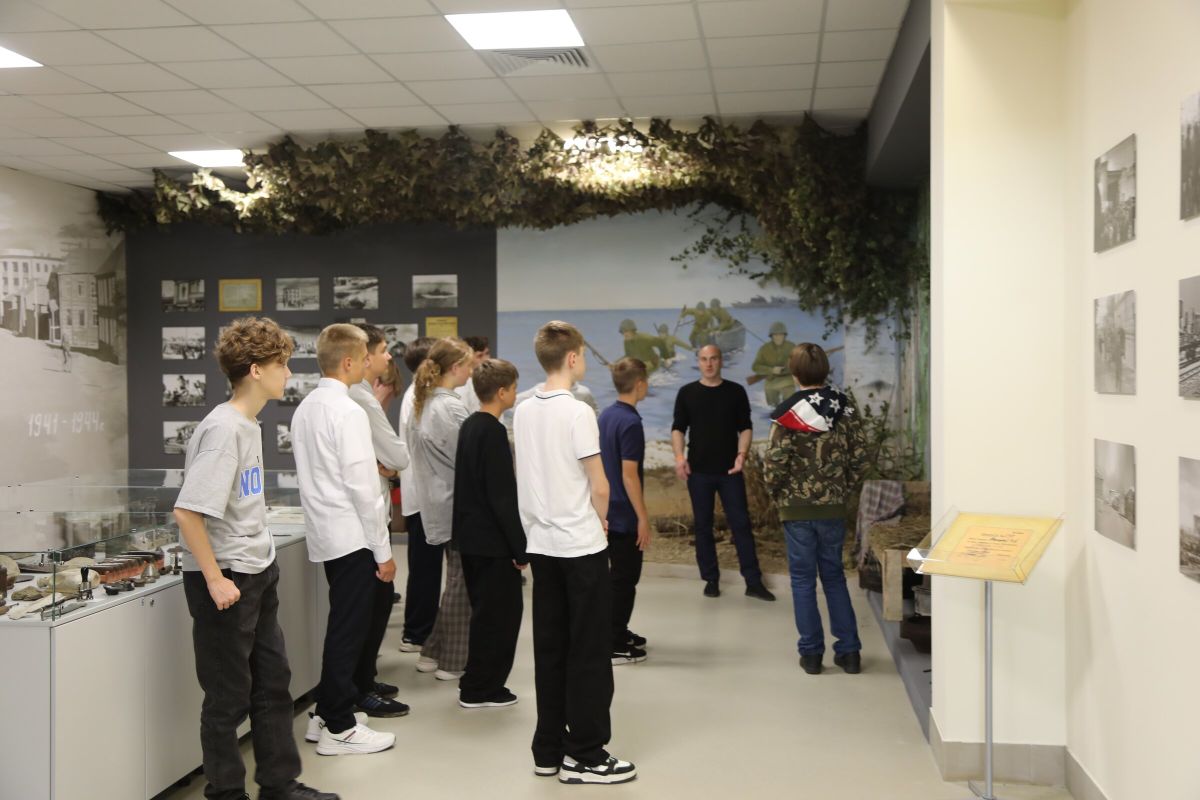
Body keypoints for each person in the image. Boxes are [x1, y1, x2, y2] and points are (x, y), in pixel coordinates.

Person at [173, 316, 337, 800]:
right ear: (255, 370)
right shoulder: (223, 430)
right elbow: (187, 512)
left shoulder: (247, 424)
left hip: (256, 570)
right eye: (281, 364)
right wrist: (214, 579)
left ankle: (279, 785)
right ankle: (226, 793)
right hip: (227, 578)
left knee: (272, 684)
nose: (289, 373)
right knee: (227, 698)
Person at [514, 320, 636, 785]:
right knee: (588, 651)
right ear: (571, 358)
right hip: (580, 546)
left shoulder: (523, 408)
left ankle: (548, 749)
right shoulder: (579, 411)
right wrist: (601, 519)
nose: (584, 361)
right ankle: (586, 753)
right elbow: (599, 485)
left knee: (551, 648)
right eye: (582, 354)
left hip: (542, 546)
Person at [291, 324, 401, 757]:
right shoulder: (349, 411)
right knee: (348, 631)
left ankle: (325, 714)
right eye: (367, 357)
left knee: (344, 626)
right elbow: (363, 488)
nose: (373, 363)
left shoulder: (307, 408)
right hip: (354, 536)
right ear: (350, 361)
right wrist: (384, 552)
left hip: (327, 533)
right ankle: (339, 726)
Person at [763, 343, 866, 676]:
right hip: (833, 508)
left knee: (803, 581)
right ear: (826, 370)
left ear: (794, 374)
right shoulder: (845, 409)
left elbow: (774, 464)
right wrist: (841, 491)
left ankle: (811, 655)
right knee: (834, 577)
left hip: (796, 510)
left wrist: (778, 495)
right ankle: (849, 653)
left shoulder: (787, 414)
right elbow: (860, 458)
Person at [671, 344, 775, 601]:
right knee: (703, 526)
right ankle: (711, 579)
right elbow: (678, 428)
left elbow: (746, 427)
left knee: (741, 524)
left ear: (721, 361)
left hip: (730, 471)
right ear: (698, 362)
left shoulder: (736, 392)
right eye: (704, 359)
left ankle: (753, 582)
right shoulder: (687, 393)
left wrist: (742, 455)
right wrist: (679, 458)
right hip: (698, 472)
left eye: (713, 359)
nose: (709, 364)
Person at [343, 323, 410, 712]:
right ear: (365, 356)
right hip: (364, 523)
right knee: (367, 609)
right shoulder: (361, 398)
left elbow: (392, 460)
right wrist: (388, 464)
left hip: (365, 518)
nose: (388, 357)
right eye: (384, 350)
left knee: (377, 604)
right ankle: (357, 688)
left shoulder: (356, 396)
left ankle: (364, 679)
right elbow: (398, 456)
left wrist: (387, 464)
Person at [454, 358, 528, 708]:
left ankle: (476, 681)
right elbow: (501, 496)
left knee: (485, 615)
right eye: (513, 388)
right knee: (501, 617)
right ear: (501, 392)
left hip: (471, 538)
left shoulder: (470, 425)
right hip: (492, 543)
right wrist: (520, 548)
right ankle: (482, 687)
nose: (515, 393)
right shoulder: (493, 432)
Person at [408, 337, 475, 681]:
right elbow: (469, 458)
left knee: (455, 582)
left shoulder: (424, 403)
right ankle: (452, 661)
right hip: (454, 506)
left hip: (436, 502)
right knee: (460, 586)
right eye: (469, 365)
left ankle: (433, 650)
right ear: (455, 367)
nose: (472, 371)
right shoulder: (449, 408)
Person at [598, 358, 651, 665]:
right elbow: (629, 475)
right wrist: (643, 517)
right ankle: (614, 643)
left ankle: (616, 629)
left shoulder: (606, 415)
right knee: (624, 580)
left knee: (616, 578)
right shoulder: (631, 423)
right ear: (640, 385)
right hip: (624, 515)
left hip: (608, 510)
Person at [396, 337, 439, 653]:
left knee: (426, 568)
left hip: (424, 496)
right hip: (424, 498)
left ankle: (420, 629)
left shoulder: (420, 395)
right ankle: (416, 633)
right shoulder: (418, 398)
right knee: (425, 570)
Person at [751, 322, 797, 407]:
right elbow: (755, 367)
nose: (778, 337)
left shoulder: (792, 347)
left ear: (784, 335)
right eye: (775, 335)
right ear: (771, 336)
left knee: (789, 404)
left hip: (787, 380)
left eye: (781, 335)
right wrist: (771, 370)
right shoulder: (764, 349)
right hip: (771, 381)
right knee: (772, 406)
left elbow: (799, 364)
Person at [456, 335, 491, 414]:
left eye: (487, 353)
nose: (486, 359)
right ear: (468, 358)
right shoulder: (462, 385)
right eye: (479, 356)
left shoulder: (489, 381)